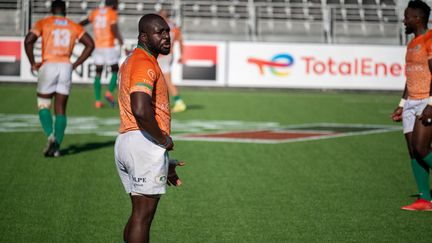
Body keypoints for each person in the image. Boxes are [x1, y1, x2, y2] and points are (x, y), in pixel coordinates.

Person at [114, 14, 185, 243]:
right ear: (143, 36)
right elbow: (141, 109)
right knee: (142, 217)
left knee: (138, 215)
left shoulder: (135, 60)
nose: (167, 36)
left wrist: (163, 159)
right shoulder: (143, 62)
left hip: (130, 140)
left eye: (167, 31)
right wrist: (163, 142)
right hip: (142, 142)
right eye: (160, 32)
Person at [24, 0, 94, 157]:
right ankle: (56, 148)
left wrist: (32, 63)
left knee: (43, 104)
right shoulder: (73, 26)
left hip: (48, 65)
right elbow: (90, 44)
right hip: (65, 67)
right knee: (61, 109)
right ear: (65, 11)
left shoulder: (44, 22)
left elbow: (28, 40)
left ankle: (50, 135)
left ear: (51, 10)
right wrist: (75, 64)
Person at [391, 0, 432, 211]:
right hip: (411, 101)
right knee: (412, 151)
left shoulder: (430, 39)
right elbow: (410, 77)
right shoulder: (411, 43)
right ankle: (425, 200)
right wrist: (402, 103)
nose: (404, 21)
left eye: (407, 17)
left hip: (427, 101)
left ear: (417, 18)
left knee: (421, 148)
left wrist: (431, 104)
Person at [80, 0, 124, 108]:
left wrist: (75, 26)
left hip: (97, 46)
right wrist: (120, 40)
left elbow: (85, 22)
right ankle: (109, 92)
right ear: (114, 4)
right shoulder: (111, 13)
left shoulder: (96, 12)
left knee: (98, 72)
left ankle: (97, 101)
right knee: (115, 70)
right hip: (109, 46)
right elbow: (114, 28)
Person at [157, 8, 187, 113]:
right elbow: (181, 40)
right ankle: (176, 102)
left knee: (162, 80)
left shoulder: (159, 26)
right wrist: (182, 55)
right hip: (169, 55)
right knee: (164, 80)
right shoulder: (174, 26)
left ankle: (178, 102)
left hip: (162, 56)